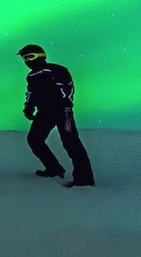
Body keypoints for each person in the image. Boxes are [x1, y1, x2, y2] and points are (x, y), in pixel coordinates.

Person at [17, 44, 95, 187]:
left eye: (30, 56)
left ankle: (84, 179)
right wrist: (28, 108)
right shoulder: (32, 76)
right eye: (24, 58)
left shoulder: (56, 70)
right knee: (34, 139)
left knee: (71, 142)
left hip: (62, 111)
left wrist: (66, 106)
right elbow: (31, 93)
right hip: (45, 112)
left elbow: (67, 88)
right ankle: (53, 168)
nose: (27, 61)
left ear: (41, 56)